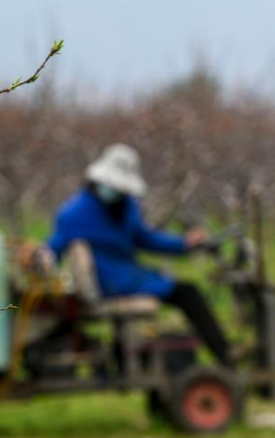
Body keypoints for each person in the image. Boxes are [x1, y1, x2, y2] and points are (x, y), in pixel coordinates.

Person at [43, 143, 233, 367]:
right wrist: (41, 256)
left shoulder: (124, 206)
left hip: (130, 276)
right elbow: (53, 246)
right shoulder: (74, 214)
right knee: (188, 293)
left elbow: (145, 238)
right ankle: (226, 357)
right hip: (112, 283)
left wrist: (184, 243)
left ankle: (221, 353)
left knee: (187, 291)